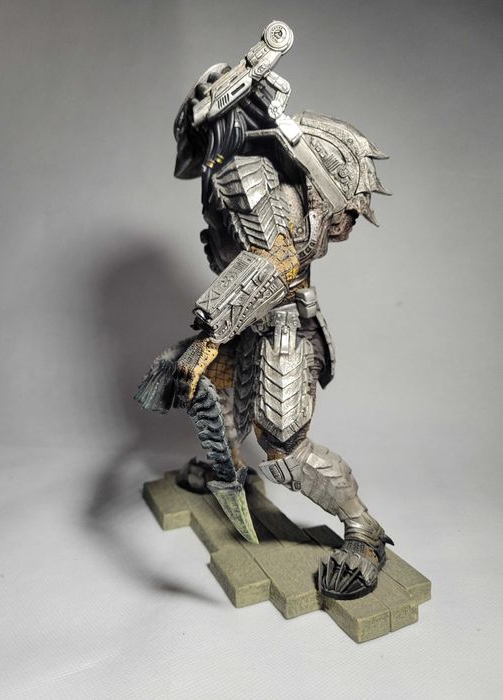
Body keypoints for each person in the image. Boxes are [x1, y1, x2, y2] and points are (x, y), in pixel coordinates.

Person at [137, 21, 392, 600]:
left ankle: (363, 532)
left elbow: (274, 262)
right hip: (246, 316)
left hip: (281, 319)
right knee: (213, 393)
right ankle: (226, 469)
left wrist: (206, 337)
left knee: (284, 451)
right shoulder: (226, 169)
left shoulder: (244, 169)